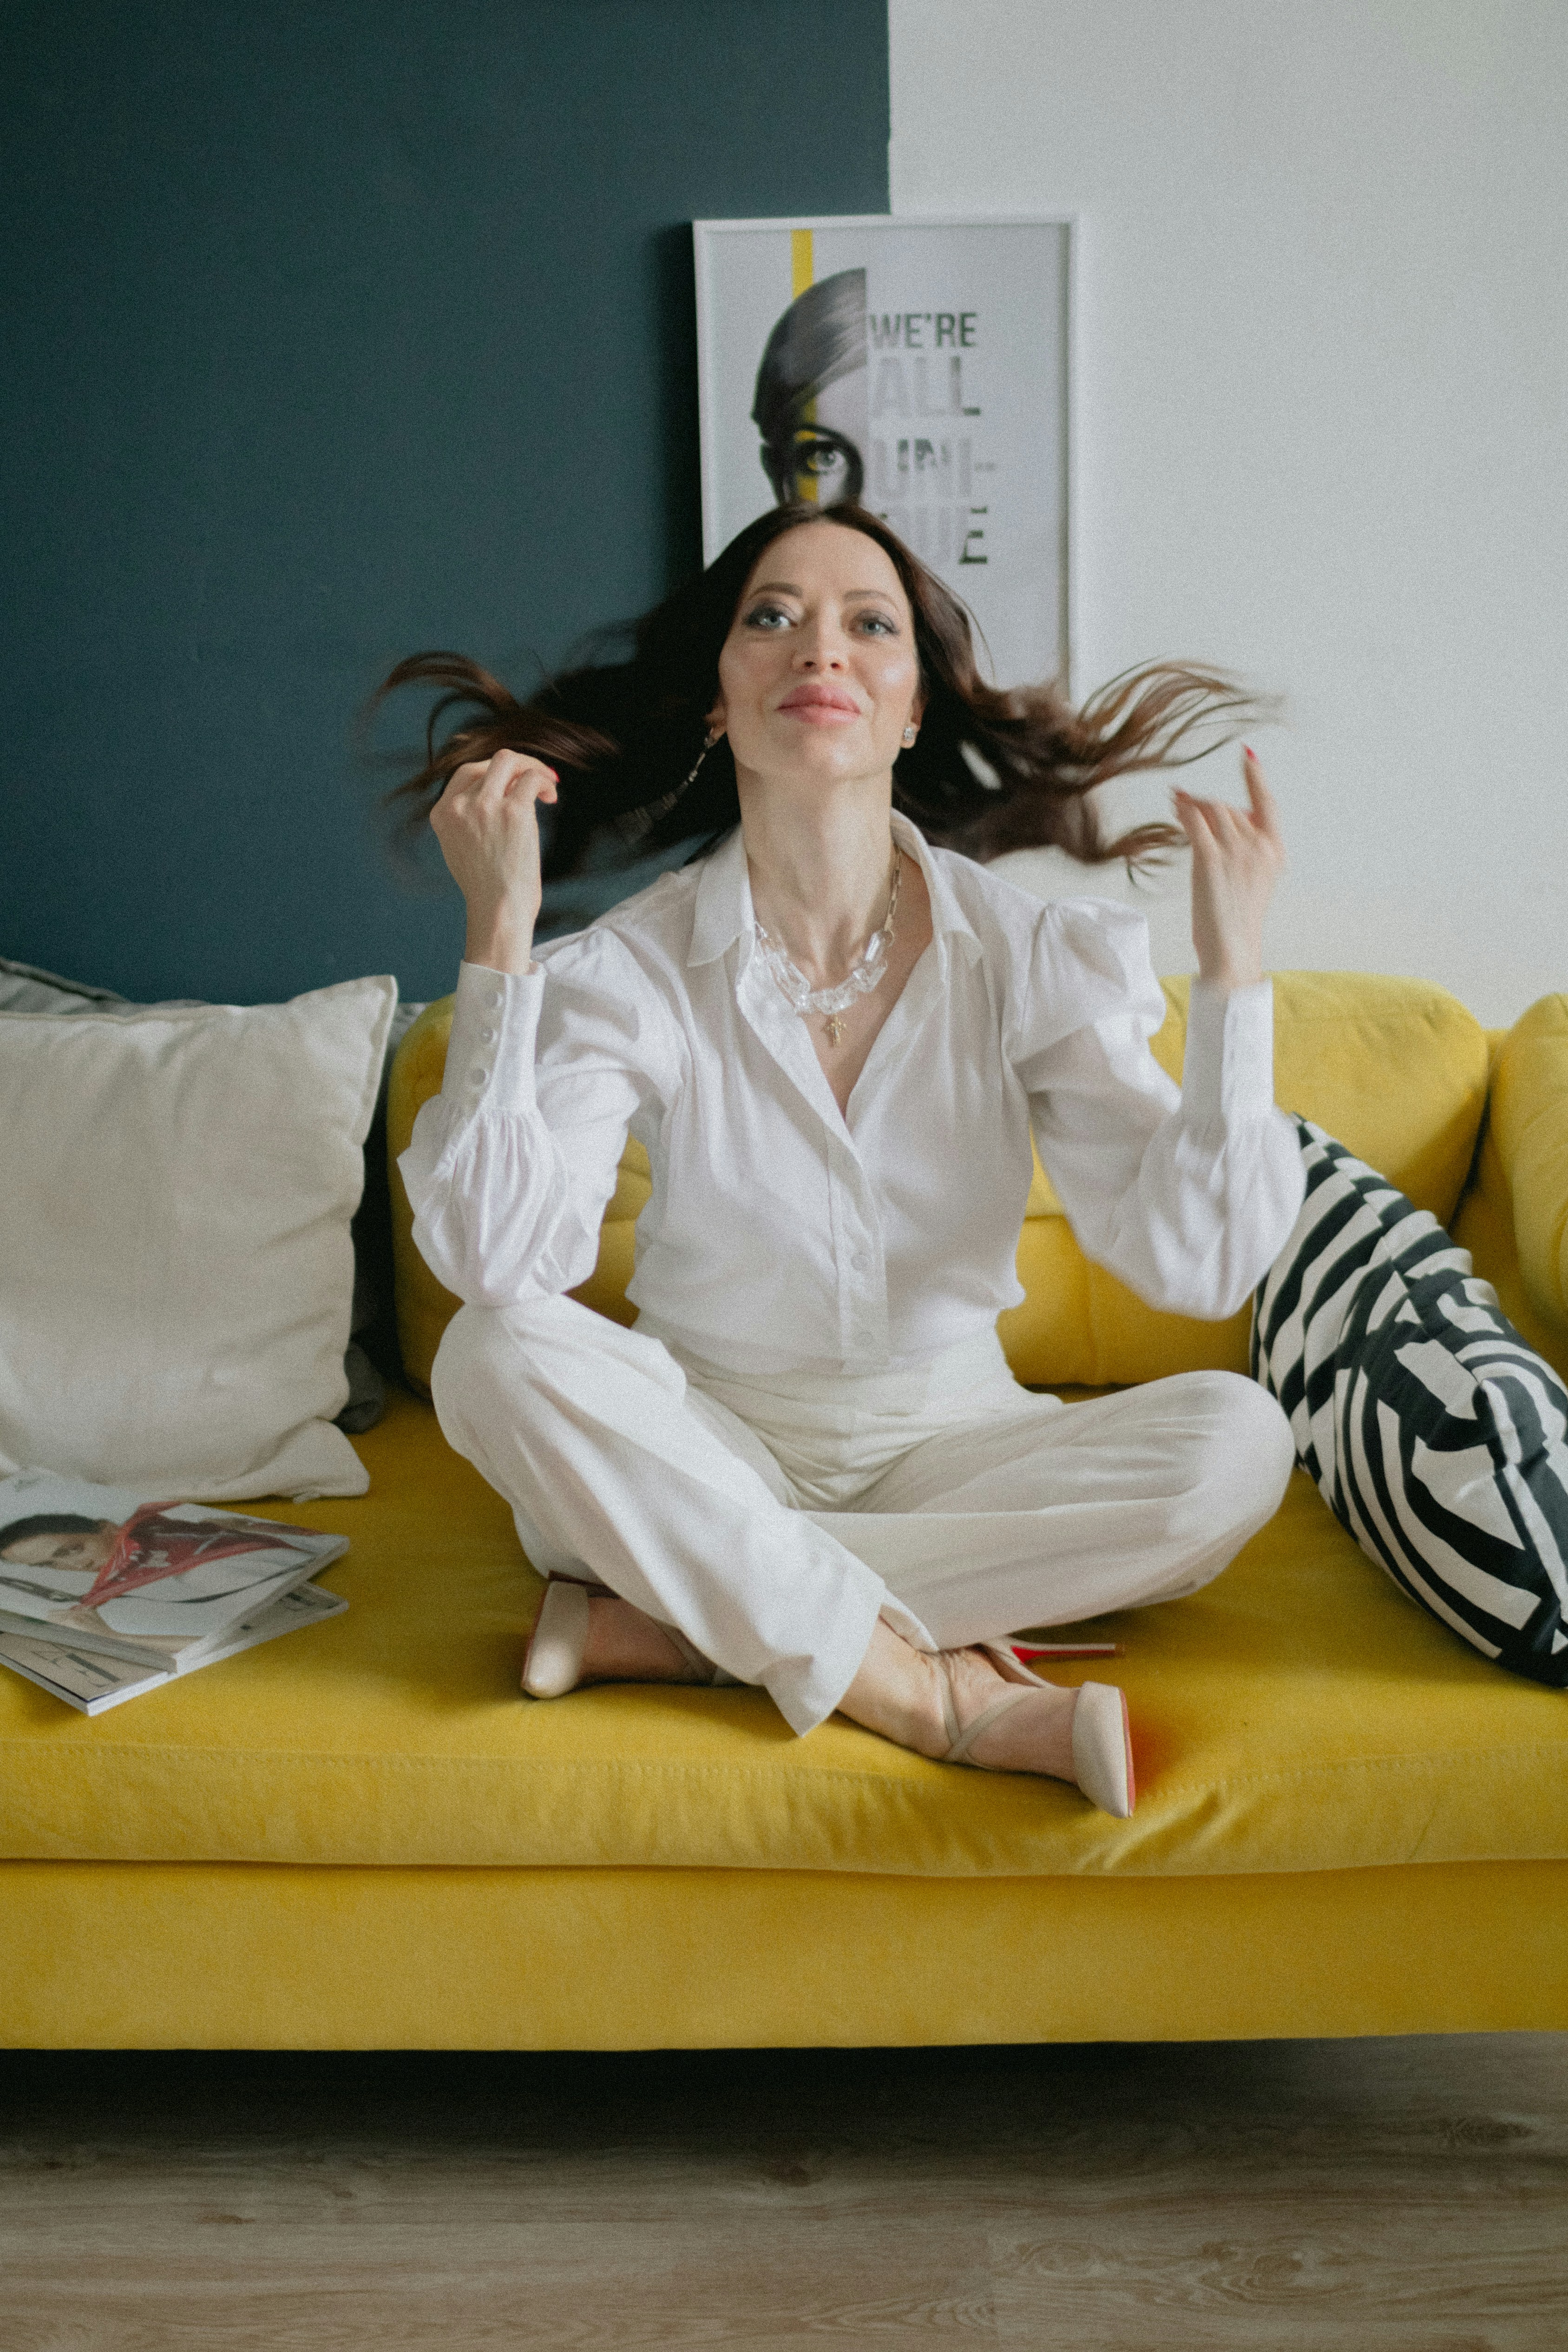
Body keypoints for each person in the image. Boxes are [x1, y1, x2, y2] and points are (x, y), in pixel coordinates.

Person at [386, 503, 1303, 1818]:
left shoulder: (1024, 951)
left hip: (953, 1448)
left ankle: (695, 1618)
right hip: (705, 1439)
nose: (820, 648)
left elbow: (1198, 1262)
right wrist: (500, 934)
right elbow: (494, 1261)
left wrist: (1235, 981)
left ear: (913, 704)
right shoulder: (635, 968)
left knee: (1237, 1445)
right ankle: (927, 1695)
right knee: (495, 1352)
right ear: (719, 699)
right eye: (772, 617)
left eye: (868, 624)